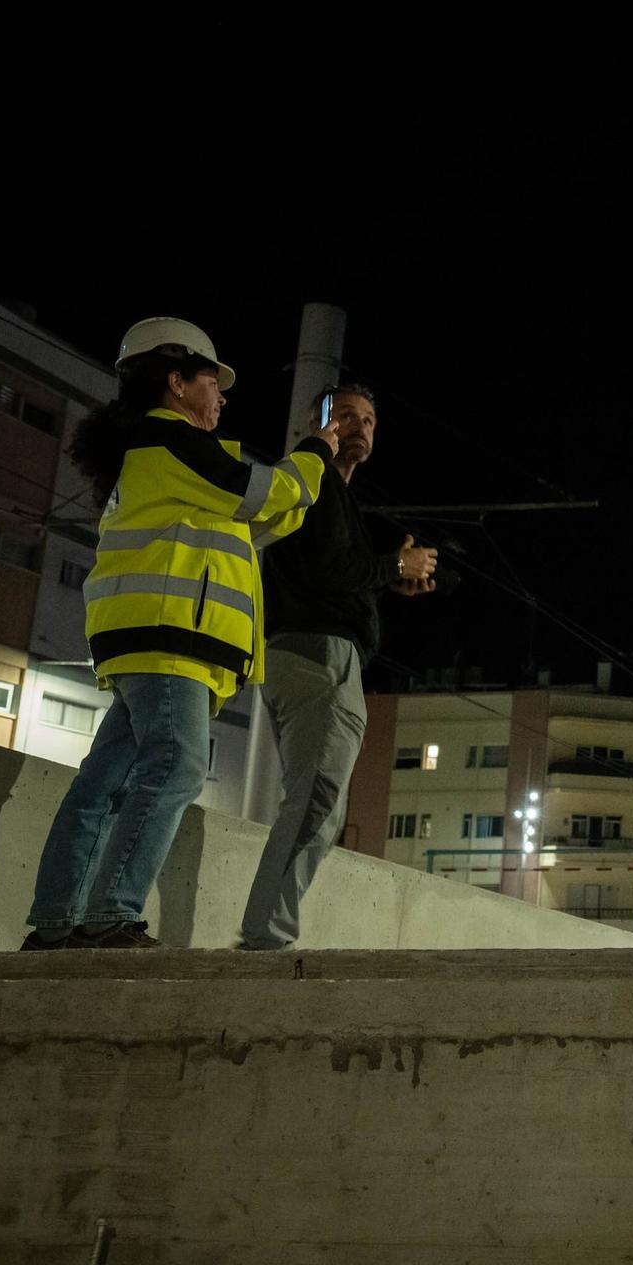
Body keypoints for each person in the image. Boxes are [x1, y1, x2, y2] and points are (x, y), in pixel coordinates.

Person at [22, 318, 333, 950]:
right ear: (176, 381)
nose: (221, 397)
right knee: (177, 766)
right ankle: (112, 911)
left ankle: (56, 921)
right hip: (169, 640)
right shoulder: (170, 442)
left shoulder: (161, 457)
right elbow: (270, 490)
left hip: (146, 638)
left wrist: (301, 485)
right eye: (212, 382)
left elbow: (265, 516)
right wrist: (317, 453)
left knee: (106, 778)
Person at [237, 383, 437, 950]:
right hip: (318, 659)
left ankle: (266, 932)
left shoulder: (329, 492)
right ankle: (266, 938)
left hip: (304, 655)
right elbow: (330, 571)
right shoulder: (314, 477)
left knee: (313, 798)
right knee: (318, 800)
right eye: (345, 416)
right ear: (315, 422)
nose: (360, 426)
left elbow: (331, 571)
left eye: (369, 419)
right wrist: (392, 563)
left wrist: (388, 579)